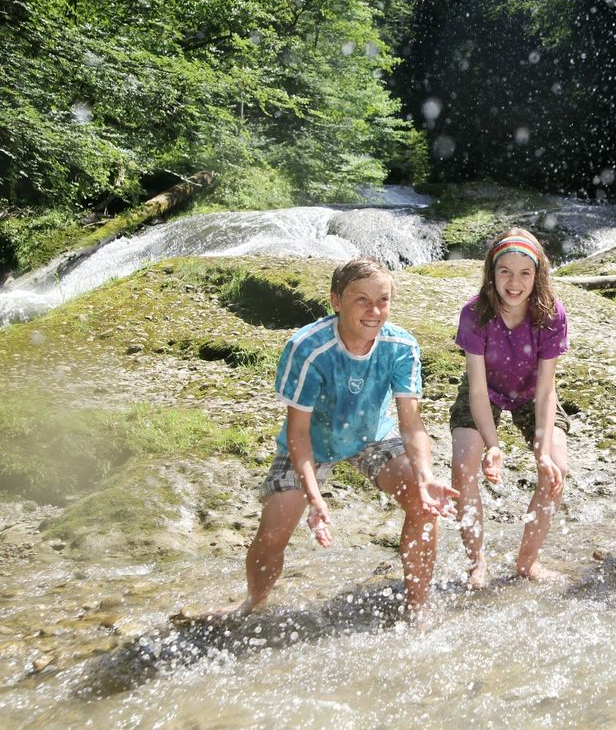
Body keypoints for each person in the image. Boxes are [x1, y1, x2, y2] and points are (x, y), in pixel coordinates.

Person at [210, 257, 457, 622]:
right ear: (336, 301)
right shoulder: (308, 348)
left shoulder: (402, 346)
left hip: (371, 435)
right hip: (314, 443)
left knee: (424, 505)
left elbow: (411, 422)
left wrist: (425, 476)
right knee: (273, 532)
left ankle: (417, 608)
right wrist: (314, 497)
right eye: (362, 299)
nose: (374, 311)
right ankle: (252, 603)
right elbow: (297, 433)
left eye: (383, 300)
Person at [450, 228, 570, 586]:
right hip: (485, 391)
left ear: (538, 276)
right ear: (492, 273)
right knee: (462, 466)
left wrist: (543, 454)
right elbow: (476, 388)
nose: (514, 283)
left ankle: (527, 563)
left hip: (534, 393)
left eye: (524, 274)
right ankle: (477, 561)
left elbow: (547, 391)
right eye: (505, 272)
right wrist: (493, 445)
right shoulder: (475, 313)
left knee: (555, 470)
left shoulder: (551, 314)